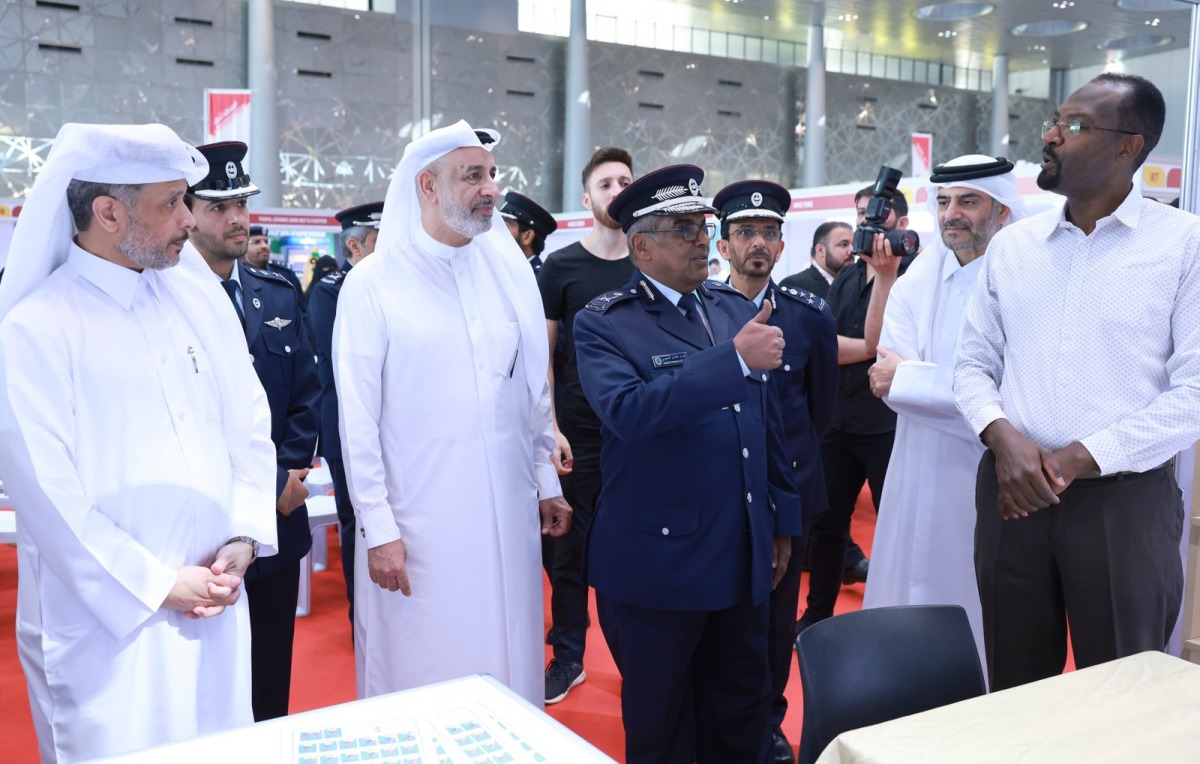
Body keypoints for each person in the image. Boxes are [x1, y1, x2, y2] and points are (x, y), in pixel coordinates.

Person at [0, 123, 278, 762]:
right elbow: (49, 499)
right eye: (172, 203)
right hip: (110, 628)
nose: (189, 218)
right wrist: (156, 584)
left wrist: (241, 535)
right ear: (107, 212)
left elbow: (249, 422)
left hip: (215, 597)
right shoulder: (38, 328)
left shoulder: (195, 298)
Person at [955, 73, 1200, 691]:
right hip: (1012, 495)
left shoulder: (1184, 246)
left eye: (1075, 125)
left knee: (1119, 692)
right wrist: (1002, 437)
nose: (1052, 136)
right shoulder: (1014, 248)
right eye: (1055, 120)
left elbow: (1195, 393)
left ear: (1129, 147)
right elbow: (973, 364)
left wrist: (1075, 460)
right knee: (1013, 685)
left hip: (1123, 504)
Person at [334, 120, 571, 704]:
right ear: (427, 185)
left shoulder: (506, 273)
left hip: (510, 517)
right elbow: (357, 423)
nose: (490, 189)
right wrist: (378, 529)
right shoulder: (373, 285)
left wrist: (545, 481)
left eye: (492, 175)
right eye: (473, 176)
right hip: (421, 528)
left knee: (511, 653)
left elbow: (529, 395)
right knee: (427, 669)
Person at [574, 164, 801, 763]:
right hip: (660, 564)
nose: (703, 238)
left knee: (739, 715)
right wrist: (732, 361)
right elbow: (629, 412)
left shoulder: (728, 309)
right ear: (641, 244)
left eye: (703, 226)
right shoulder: (605, 321)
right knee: (663, 726)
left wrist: (782, 520)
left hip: (741, 553)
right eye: (684, 229)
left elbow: (767, 425)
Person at [860, 155, 1026, 673]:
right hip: (913, 472)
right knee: (901, 632)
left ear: (1002, 210)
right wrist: (944, 391)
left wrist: (914, 380)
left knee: (981, 627)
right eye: (945, 202)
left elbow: (1011, 399)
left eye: (968, 202)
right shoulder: (914, 281)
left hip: (988, 483)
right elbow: (884, 378)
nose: (952, 214)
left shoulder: (1024, 283)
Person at [186, 141, 321, 721]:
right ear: (184, 211)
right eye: (219, 206)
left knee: (270, 677)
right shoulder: (166, 297)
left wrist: (289, 478)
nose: (237, 217)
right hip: (207, 533)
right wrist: (269, 487)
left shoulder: (278, 293)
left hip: (280, 525)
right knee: (207, 688)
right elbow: (197, 419)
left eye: (241, 202)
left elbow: (305, 396)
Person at [713, 179, 838, 764]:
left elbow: (820, 413)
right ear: (724, 243)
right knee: (718, 615)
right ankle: (717, 717)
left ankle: (767, 722)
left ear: (782, 245)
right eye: (745, 233)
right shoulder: (705, 314)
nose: (757, 243)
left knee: (774, 622)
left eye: (768, 233)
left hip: (787, 496)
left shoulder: (810, 317)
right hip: (719, 496)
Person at [536, 146, 634, 703]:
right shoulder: (562, 267)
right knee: (568, 550)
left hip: (642, 434)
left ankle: (637, 653)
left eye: (624, 180)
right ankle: (568, 653)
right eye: (605, 183)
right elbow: (544, 357)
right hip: (579, 432)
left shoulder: (651, 259)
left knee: (637, 547)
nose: (616, 190)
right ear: (587, 198)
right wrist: (551, 426)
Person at [796, 184, 913, 635]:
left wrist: (860, 348)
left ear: (900, 224)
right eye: (860, 215)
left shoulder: (911, 274)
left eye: (875, 217)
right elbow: (821, 343)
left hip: (886, 424)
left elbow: (880, 344)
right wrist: (860, 349)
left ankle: (891, 624)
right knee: (826, 527)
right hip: (836, 421)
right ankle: (817, 618)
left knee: (893, 527)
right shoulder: (847, 274)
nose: (866, 225)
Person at [307, 200, 382, 622]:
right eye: (376, 240)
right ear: (354, 245)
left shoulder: (395, 285)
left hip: (393, 425)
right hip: (346, 424)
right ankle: (362, 619)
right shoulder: (330, 289)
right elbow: (340, 362)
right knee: (356, 522)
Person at [779, 220, 853, 298]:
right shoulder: (794, 285)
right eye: (844, 244)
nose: (852, 250)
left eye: (853, 245)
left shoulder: (855, 284)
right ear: (820, 250)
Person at [500, 191, 557, 274]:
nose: (498, 232)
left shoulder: (540, 280)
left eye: (505, 227)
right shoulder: (500, 271)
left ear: (527, 236)